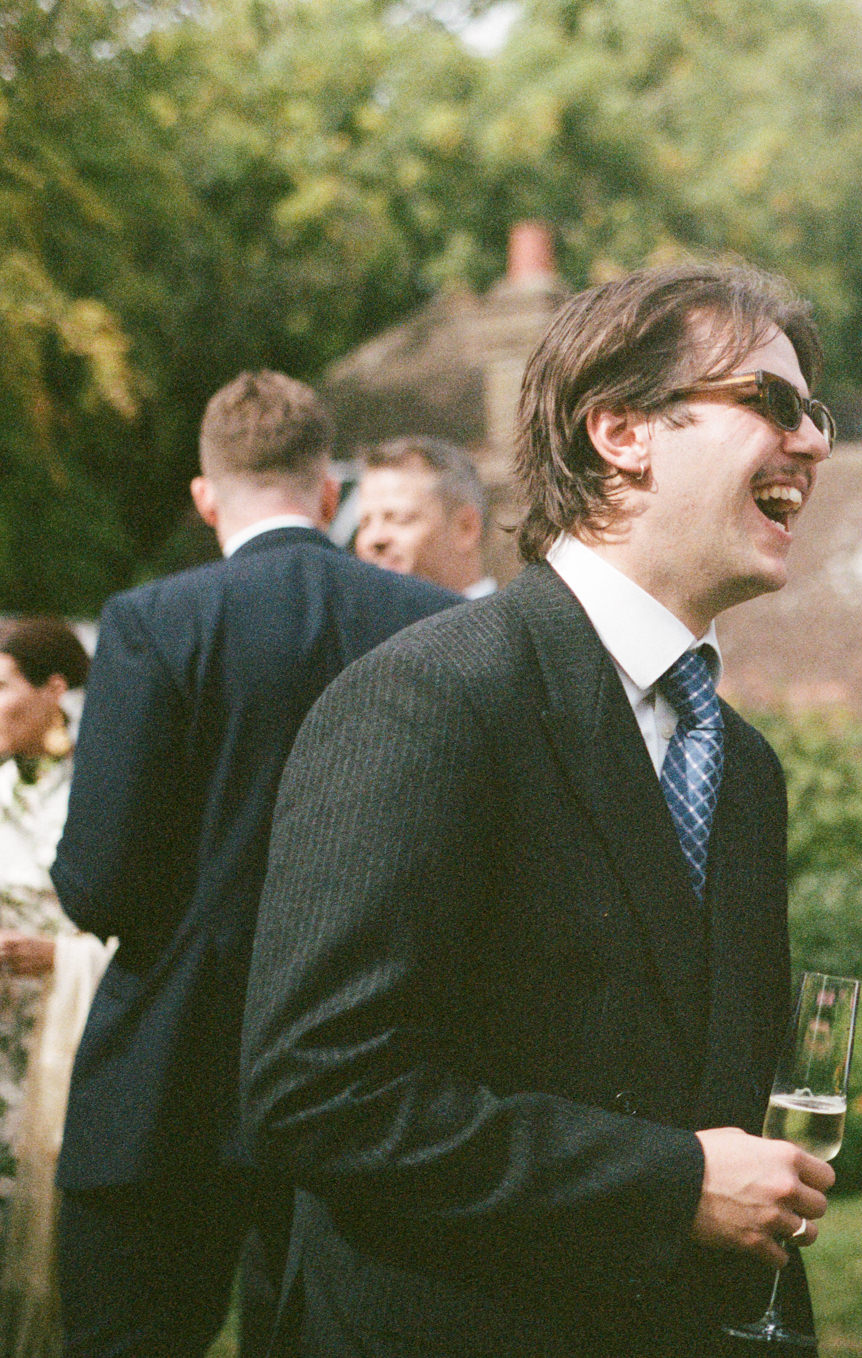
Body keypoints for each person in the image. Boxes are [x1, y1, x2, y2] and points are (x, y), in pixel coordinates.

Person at [243, 261, 837, 1356]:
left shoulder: (740, 764)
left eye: (815, 413)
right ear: (621, 431)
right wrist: (669, 1183)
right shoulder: (432, 696)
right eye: (769, 402)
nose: (811, 441)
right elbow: (318, 1093)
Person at [49, 373, 458, 1358]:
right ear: (329, 493)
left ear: (204, 496)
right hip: (367, 1071)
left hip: (167, 1077)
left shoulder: (155, 623)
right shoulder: (430, 620)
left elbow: (98, 881)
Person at [0, 618, 107, 1358]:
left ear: (54, 691)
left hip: (62, 1043)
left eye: (1, 686)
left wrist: (63, 957)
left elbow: (132, 923)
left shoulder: (101, 791)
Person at [353, 435, 499, 597]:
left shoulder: (508, 621)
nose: (374, 539)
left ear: (466, 528)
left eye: (399, 519)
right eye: (364, 523)